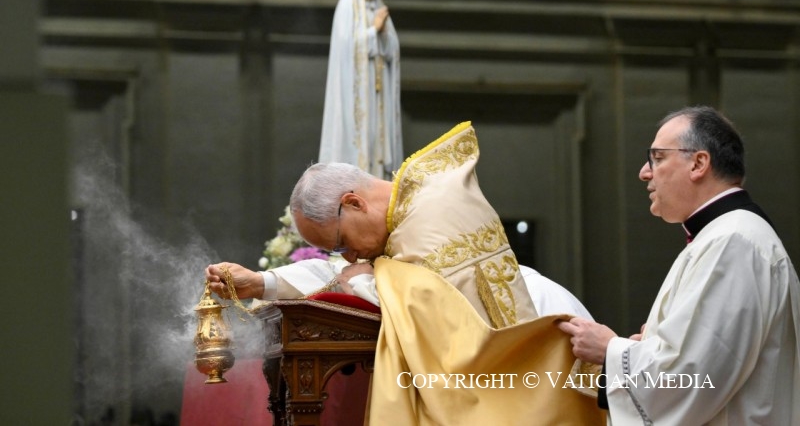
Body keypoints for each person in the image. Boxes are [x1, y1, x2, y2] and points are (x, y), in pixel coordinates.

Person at [208, 121, 605, 424]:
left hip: (538, 348)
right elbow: (354, 276)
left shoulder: (433, 209)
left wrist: (360, 277)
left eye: (342, 243)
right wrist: (260, 283)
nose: (347, 257)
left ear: (354, 203)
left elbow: (424, 301)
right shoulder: (402, 216)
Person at [558, 106, 800, 425]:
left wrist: (610, 350)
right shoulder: (724, 236)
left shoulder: (733, 241)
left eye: (657, 158)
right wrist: (651, 345)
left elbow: (696, 375)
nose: (645, 172)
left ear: (698, 163)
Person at [318, 0, 402, 180]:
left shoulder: (379, 12)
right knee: (358, 144)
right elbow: (347, 50)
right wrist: (372, 32)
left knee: (377, 147)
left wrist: (384, 35)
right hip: (356, 94)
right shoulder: (348, 9)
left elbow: (391, 53)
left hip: (378, 95)